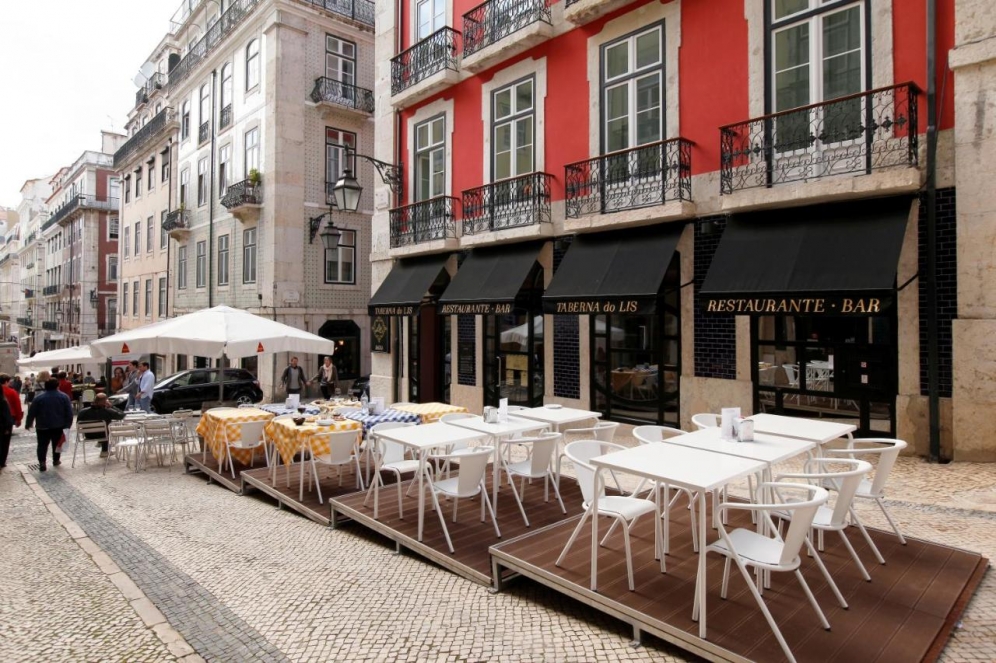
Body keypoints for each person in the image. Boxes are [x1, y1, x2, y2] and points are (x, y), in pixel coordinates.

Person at [25, 379, 74, 471]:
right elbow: (69, 413)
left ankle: (42, 462)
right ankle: (56, 460)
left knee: (42, 445)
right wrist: (67, 425)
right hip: (58, 425)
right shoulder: (64, 397)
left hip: (42, 425)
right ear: (57, 386)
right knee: (56, 444)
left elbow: (31, 413)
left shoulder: (38, 398)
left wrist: (28, 424)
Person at [76, 393, 125, 458]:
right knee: (106, 429)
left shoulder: (82, 412)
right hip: (103, 435)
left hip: (89, 435)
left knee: (103, 429)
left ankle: (100, 444)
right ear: (105, 402)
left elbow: (78, 423)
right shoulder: (107, 411)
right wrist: (112, 406)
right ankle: (104, 451)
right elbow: (121, 415)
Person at [0, 374, 18, 469]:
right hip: (3, 425)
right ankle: (2, 461)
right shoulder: (4, 399)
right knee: (4, 444)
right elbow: (7, 414)